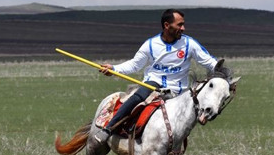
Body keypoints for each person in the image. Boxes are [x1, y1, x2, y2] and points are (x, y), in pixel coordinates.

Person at [94, 8, 219, 147]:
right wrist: (114, 69)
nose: (183, 28)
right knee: (138, 97)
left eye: (183, 24)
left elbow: (209, 61)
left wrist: (221, 71)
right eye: (179, 25)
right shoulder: (150, 44)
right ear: (167, 25)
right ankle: (108, 129)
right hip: (154, 84)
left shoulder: (190, 44)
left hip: (179, 91)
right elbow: (134, 65)